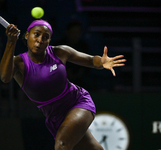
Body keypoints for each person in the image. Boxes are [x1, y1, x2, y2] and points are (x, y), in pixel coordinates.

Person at [0, 20, 126, 150]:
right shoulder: (18, 62)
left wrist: (102, 62)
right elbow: (5, 77)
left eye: (45, 37)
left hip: (77, 103)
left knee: (62, 145)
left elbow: (90, 60)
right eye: (36, 34)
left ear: (49, 40)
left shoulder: (60, 52)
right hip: (55, 117)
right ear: (27, 36)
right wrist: (11, 42)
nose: (40, 40)